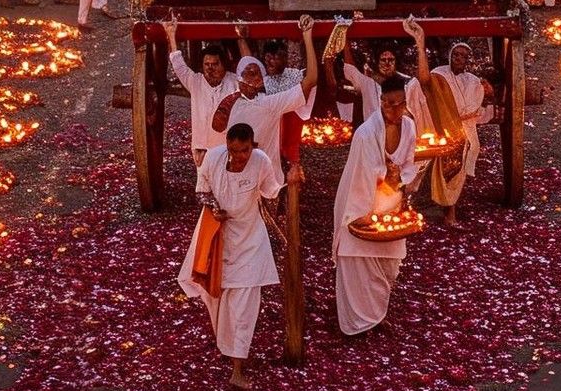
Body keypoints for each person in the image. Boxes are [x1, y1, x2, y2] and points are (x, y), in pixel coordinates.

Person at [177, 121, 283, 390]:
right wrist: (214, 208)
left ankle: (237, 369)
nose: (238, 156)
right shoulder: (213, 158)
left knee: (244, 307)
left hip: (250, 242)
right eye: (233, 151)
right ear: (227, 146)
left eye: (244, 151)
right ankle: (229, 348)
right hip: (216, 237)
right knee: (217, 299)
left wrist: (290, 183)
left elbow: (272, 192)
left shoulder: (261, 162)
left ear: (253, 146)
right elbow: (201, 191)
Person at [332, 81, 420, 338]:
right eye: (389, 104)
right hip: (359, 204)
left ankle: (377, 314)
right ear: (381, 102)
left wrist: (399, 177)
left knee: (388, 265)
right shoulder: (366, 133)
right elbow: (364, 173)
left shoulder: (410, 126)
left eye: (400, 104)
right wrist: (386, 175)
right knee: (358, 264)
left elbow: (409, 163)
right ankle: (357, 323)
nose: (394, 110)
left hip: (391, 203)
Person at [403, 22, 492, 222]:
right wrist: (420, 43)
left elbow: (476, 108)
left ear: (468, 60)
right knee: (426, 157)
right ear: (450, 56)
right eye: (456, 55)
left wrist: (489, 93)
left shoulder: (473, 81)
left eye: (463, 56)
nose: (459, 59)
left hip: (463, 132)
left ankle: (450, 212)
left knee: (462, 152)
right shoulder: (439, 75)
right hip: (437, 128)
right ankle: (414, 205)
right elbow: (424, 81)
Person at [219, 24, 318, 171]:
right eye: (267, 57)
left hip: (289, 130)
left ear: (285, 58)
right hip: (268, 139)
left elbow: (310, 81)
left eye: (275, 57)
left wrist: (307, 36)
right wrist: (241, 39)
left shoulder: (294, 76)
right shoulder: (261, 82)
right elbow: (249, 65)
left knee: (289, 171)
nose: (270, 61)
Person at [162, 21, 237, 168]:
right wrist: (171, 35)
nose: (210, 69)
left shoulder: (235, 82)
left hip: (231, 149)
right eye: (206, 65)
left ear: (224, 65)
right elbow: (179, 65)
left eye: (215, 64)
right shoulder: (195, 82)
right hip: (203, 149)